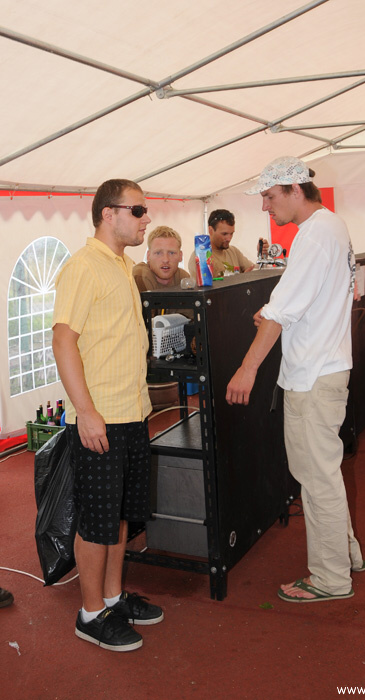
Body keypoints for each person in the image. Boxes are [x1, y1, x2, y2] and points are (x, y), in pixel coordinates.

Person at [226, 156, 365, 603]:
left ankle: (330, 578)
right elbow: (299, 303)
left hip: (313, 376)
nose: (265, 206)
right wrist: (275, 313)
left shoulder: (315, 234)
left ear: (294, 189)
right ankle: (346, 554)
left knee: (316, 477)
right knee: (324, 473)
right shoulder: (330, 226)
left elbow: (282, 312)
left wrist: (248, 367)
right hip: (324, 369)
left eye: (269, 196)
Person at [52, 179, 164, 652]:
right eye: (137, 210)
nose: (145, 218)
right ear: (108, 214)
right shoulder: (83, 266)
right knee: (97, 521)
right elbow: (63, 341)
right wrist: (85, 412)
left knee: (119, 516)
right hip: (100, 418)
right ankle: (90, 612)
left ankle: (113, 598)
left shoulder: (120, 264)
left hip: (131, 411)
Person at [188, 209, 265, 278]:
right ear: (210, 230)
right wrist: (242, 279)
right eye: (224, 234)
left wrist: (262, 257)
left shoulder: (233, 251)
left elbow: (255, 271)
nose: (229, 238)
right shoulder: (200, 257)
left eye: (231, 233)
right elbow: (204, 288)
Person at [133, 225, 190, 292]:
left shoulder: (183, 278)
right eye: (158, 253)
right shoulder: (140, 276)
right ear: (148, 256)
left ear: (180, 256)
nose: (165, 260)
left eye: (171, 253)